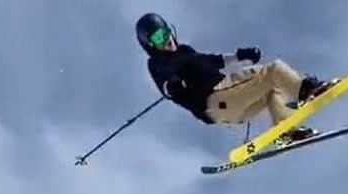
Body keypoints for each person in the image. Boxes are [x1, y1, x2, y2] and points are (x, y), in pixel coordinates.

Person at [135, 13, 331, 141]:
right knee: (274, 70)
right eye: (159, 38)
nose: (167, 39)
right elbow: (166, 86)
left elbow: (213, 60)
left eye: (166, 32)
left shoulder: (185, 51)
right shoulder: (158, 63)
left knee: (273, 89)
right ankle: (308, 91)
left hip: (229, 90)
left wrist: (240, 55)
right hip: (216, 100)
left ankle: (287, 130)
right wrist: (173, 86)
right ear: (150, 45)